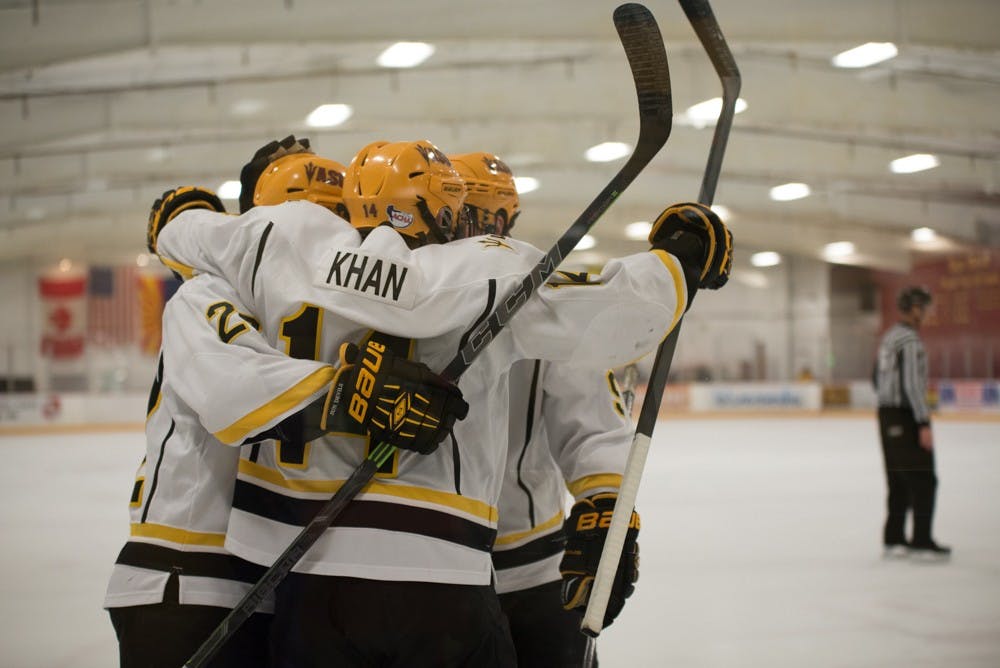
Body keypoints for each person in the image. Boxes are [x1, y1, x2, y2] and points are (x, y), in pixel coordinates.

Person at [154, 136, 732, 666]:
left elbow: (190, 243)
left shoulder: (279, 240)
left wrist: (179, 215)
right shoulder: (484, 268)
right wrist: (678, 262)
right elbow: (614, 314)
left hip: (306, 572)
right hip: (444, 570)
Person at [105, 140, 468, 667]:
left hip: (270, 578)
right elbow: (231, 386)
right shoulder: (206, 293)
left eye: (336, 216)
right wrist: (348, 397)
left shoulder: (318, 304)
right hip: (189, 574)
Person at [451, 151, 638, 666]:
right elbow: (597, 429)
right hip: (455, 566)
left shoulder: (542, 293)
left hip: (514, 568)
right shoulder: (420, 289)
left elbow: (595, 431)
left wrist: (604, 505)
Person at [875, 285, 950, 560]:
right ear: (916, 308)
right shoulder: (910, 341)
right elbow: (913, 385)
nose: (929, 313)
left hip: (886, 415)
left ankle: (894, 539)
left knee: (897, 479)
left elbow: (876, 378)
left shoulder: (889, 337)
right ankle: (921, 541)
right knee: (923, 479)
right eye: (926, 307)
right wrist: (923, 422)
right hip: (905, 415)